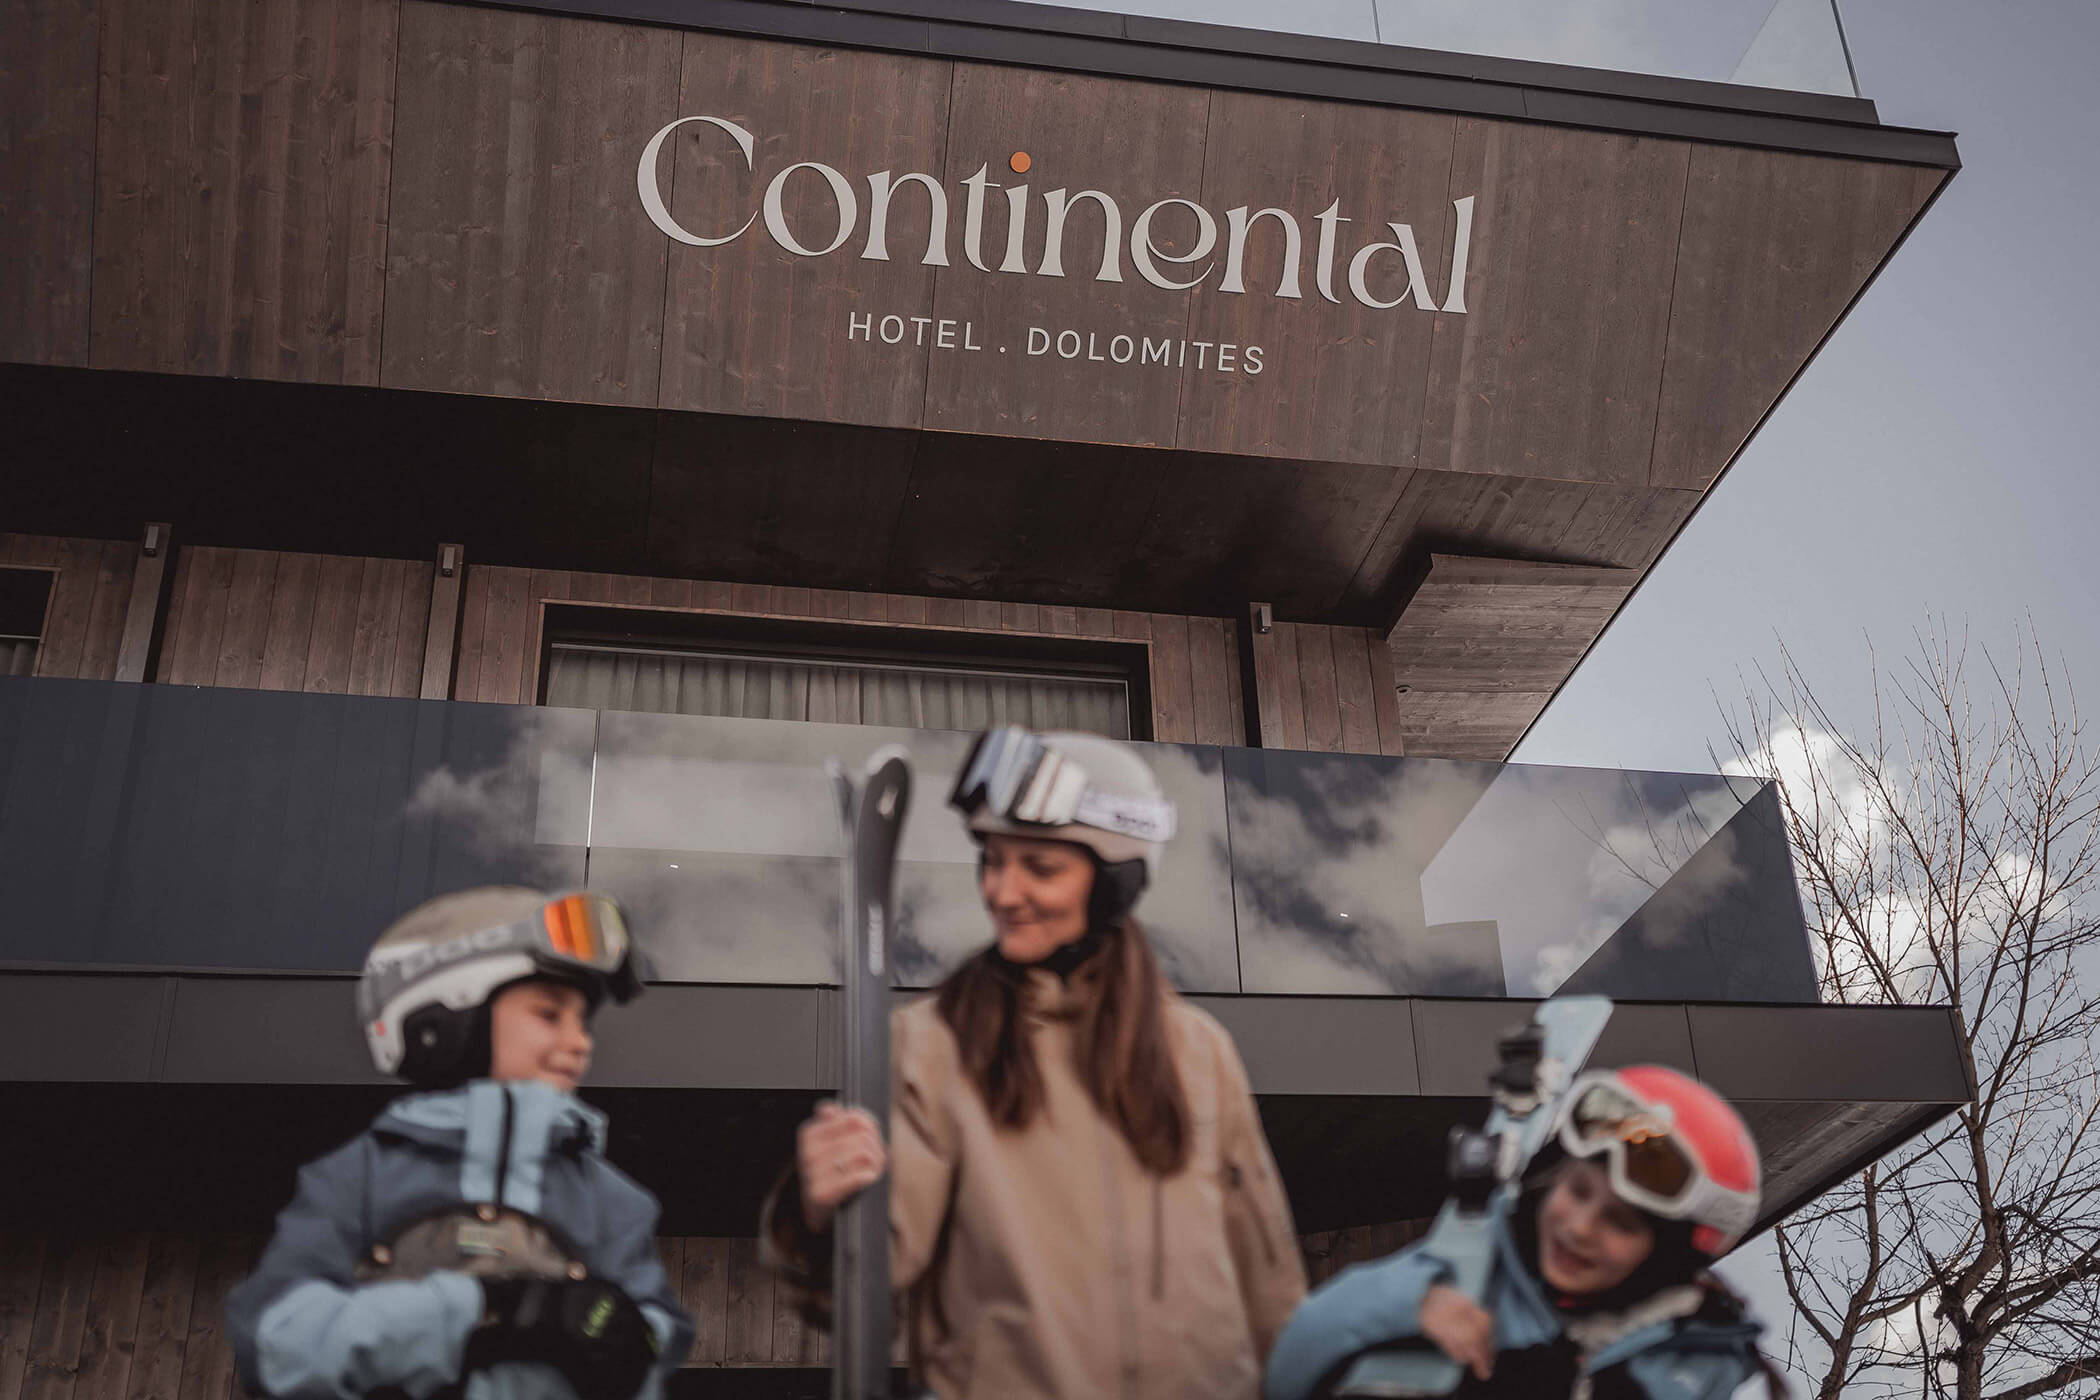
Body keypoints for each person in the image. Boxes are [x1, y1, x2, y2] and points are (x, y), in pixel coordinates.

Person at [768, 727, 1308, 1400]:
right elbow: (866, 1282)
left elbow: (1269, 1276)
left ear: (1115, 881)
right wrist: (820, 1216)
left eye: (1040, 868)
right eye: (992, 861)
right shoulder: (935, 1044)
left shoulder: (1200, 1050)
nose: (1002, 891)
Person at [226, 887, 695, 1400]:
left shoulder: (614, 1203)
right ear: (456, 1011)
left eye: (583, 1021)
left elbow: (655, 1356)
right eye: (549, 1014)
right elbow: (273, 1347)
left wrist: (629, 1338)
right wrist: (487, 1310)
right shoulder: (360, 1176)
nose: (581, 1041)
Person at [1263, 1065, 1775, 1400]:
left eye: (1619, 1222)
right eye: (1576, 1192)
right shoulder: (1470, 1266)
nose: (1578, 1228)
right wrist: (1405, 1305)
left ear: (1665, 1259)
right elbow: (1286, 1369)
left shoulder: (1696, 1360)